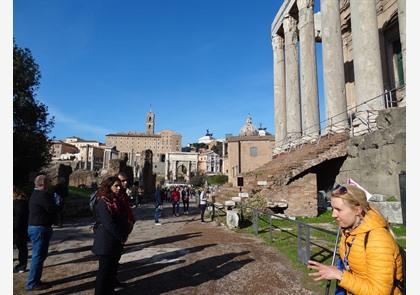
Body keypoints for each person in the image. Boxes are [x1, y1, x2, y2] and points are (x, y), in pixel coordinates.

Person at [307, 184, 404, 295]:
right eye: (333, 208)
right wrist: (338, 271)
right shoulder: (349, 231)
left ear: (357, 210)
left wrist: (340, 275)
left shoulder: (378, 241)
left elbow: (380, 292)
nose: (333, 214)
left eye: (338, 209)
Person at [92, 176, 131, 295]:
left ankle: (109, 291)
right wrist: (121, 236)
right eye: (116, 186)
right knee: (104, 272)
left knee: (111, 270)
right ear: (109, 187)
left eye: (119, 185)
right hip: (106, 241)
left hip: (115, 241)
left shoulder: (116, 200)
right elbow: (108, 223)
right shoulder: (103, 202)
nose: (119, 188)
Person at [25, 174, 57, 291]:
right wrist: (56, 202)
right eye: (49, 181)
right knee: (38, 257)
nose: (51, 184)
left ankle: (35, 280)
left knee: (39, 256)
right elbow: (52, 209)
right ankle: (32, 283)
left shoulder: (36, 193)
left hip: (37, 228)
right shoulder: (43, 195)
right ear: (43, 184)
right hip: (40, 228)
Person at [13, 186, 29, 273]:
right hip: (23, 228)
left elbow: (17, 218)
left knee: (21, 248)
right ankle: (22, 266)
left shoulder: (16, 203)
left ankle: (22, 266)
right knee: (22, 248)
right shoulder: (24, 201)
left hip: (16, 229)